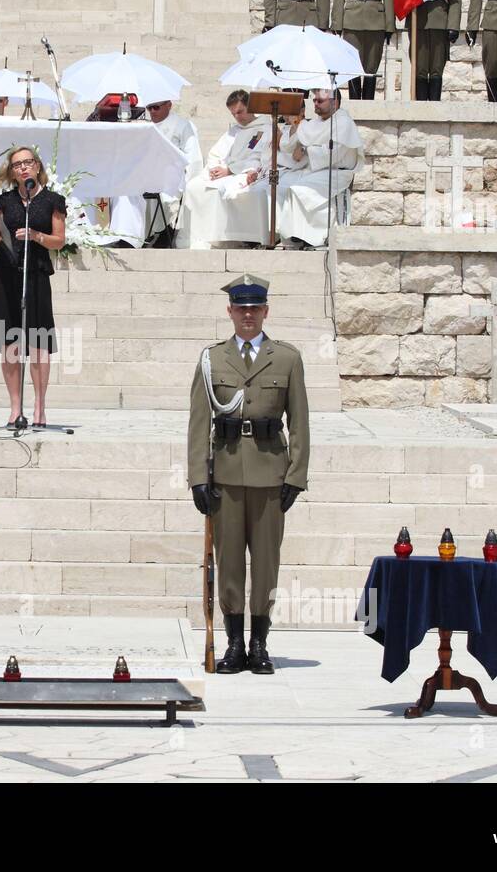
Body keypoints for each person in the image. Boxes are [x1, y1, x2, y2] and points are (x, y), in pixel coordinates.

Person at [187, 274, 309, 675]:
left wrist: (296, 475)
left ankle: (260, 642)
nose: (248, 315)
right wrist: (197, 477)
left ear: (266, 312)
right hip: (225, 472)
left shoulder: (287, 358)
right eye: (241, 308)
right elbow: (198, 421)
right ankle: (234, 643)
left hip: (271, 474)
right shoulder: (212, 359)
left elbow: (301, 421)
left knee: (267, 563)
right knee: (230, 563)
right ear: (230, 312)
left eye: (255, 308)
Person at [0, 146, 66, 427]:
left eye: (28, 162)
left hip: (36, 274)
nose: (23, 168)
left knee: (38, 342)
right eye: (17, 164)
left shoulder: (52, 200)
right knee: (9, 344)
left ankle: (40, 408)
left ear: (38, 166)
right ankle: (15, 408)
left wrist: (36, 235)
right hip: (6, 274)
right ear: (12, 171)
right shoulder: (3, 201)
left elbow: (59, 240)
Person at [179, 90, 301, 248]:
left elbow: (257, 156)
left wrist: (230, 170)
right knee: (194, 186)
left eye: (240, 112)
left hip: (243, 172)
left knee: (226, 190)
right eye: (233, 113)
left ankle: (232, 238)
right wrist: (215, 167)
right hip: (225, 171)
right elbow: (216, 153)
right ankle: (200, 236)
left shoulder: (263, 128)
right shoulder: (233, 131)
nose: (237, 117)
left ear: (250, 108)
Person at [105, 99, 202, 248]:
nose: (152, 112)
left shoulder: (182, 125)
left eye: (156, 108)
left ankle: (150, 235)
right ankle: (125, 236)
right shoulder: (146, 127)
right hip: (146, 174)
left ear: (169, 105)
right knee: (122, 189)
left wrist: (184, 181)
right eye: (149, 108)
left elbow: (192, 158)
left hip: (170, 178)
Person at [275, 88, 364, 248]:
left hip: (337, 173)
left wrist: (305, 150)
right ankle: (298, 234)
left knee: (299, 190)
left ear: (334, 103)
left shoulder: (344, 123)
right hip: (316, 170)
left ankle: (313, 236)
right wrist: (295, 125)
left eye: (320, 101)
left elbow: (333, 153)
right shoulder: (315, 123)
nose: (315, 104)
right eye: (314, 100)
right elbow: (288, 146)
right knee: (287, 187)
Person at [407, 0, 461, 100]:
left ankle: (435, 107)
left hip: (440, 22)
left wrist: (453, 25)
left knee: (437, 69)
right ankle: (421, 110)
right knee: (420, 69)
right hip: (418, 21)